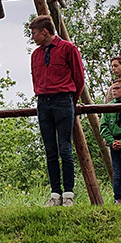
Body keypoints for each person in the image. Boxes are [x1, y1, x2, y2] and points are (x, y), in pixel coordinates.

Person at [29, 16, 86, 207]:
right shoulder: (36, 54)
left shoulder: (68, 48)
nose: (33, 37)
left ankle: (68, 193)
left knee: (65, 148)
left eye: (34, 33)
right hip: (43, 102)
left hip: (63, 99)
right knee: (50, 150)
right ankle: (55, 193)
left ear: (45, 31)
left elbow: (79, 77)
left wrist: (71, 100)